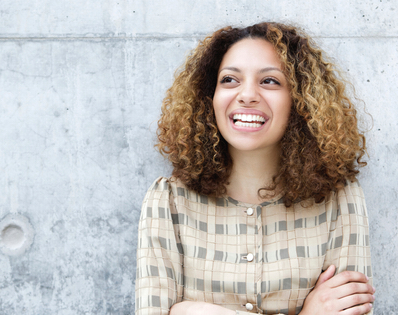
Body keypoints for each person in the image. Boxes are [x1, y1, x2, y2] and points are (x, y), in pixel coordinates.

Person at [135, 22, 374, 315]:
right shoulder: (168, 201)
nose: (247, 95)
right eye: (230, 80)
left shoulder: (340, 199)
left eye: (270, 81)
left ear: (300, 101)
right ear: (208, 97)